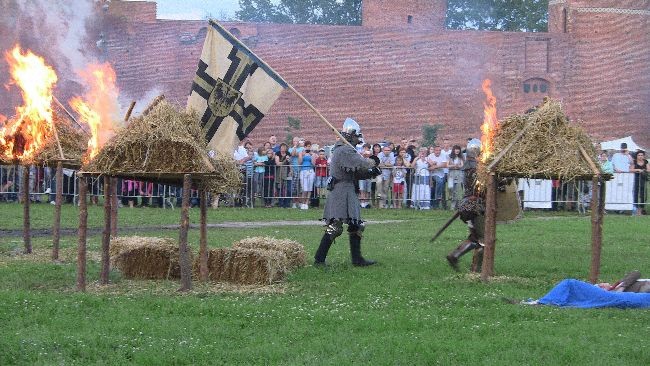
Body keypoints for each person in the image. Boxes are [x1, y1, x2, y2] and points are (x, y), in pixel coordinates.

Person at [314, 118, 380, 266]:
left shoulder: (347, 150)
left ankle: (357, 259)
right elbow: (361, 164)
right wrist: (373, 162)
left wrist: (372, 173)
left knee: (357, 225)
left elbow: (355, 173)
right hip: (340, 190)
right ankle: (319, 260)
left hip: (348, 188)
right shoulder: (344, 150)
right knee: (335, 227)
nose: (358, 141)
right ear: (351, 135)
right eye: (356, 137)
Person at [446, 138, 485, 270]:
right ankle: (476, 270)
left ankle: (455, 255)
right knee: (484, 239)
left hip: (466, 205)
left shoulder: (467, 166)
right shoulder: (476, 169)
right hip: (475, 206)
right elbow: (481, 188)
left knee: (474, 236)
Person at [298, 141, 316, 209]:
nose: (309, 147)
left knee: (309, 188)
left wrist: (312, 155)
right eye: (307, 146)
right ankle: (303, 203)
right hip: (303, 171)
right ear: (305, 147)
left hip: (310, 171)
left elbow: (313, 163)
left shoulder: (313, 154)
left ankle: (307, 203)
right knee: (304, 188)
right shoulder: (301, 153)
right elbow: (299, 162)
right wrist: (302, 155)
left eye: (310, 146)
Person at [630, 149, 649, 216]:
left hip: (643, 179)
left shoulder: (646, 162)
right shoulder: (634, 162)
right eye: (639, 155)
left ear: (643, 156)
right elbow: (631, 170)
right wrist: (638, 170)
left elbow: (648, 169)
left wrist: (644, 170)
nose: (640, 156)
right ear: (637, 156)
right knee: (635, 193)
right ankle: (636, 209)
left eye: (641, 155)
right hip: (636, 179)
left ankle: (641, 209)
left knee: (643, 194)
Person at [447, 144, 465, 210]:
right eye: (456, 149)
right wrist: (454, 165)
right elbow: (447, 165)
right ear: (453, 150)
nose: (457, 151)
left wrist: (458, 166)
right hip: (451, 174)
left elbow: (462, 165)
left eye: (458, 149)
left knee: (457, 190)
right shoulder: (449, 156)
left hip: (459, 173)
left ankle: (453, 206)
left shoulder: (461, 157)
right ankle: (450, 196)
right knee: (450, 187)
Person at [275, 142, 291, 208]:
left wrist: (291, 170)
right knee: (280, 188)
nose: (283, 148)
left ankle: (287, 203)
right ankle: (280, 203)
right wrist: (285, 161)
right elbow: (278, 163)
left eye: (284, 147)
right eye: (282, 147)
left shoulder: (288, 154)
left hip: (287, 171)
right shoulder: (277, 153)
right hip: (280, 172)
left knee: (288, 189)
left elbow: (289, 163)